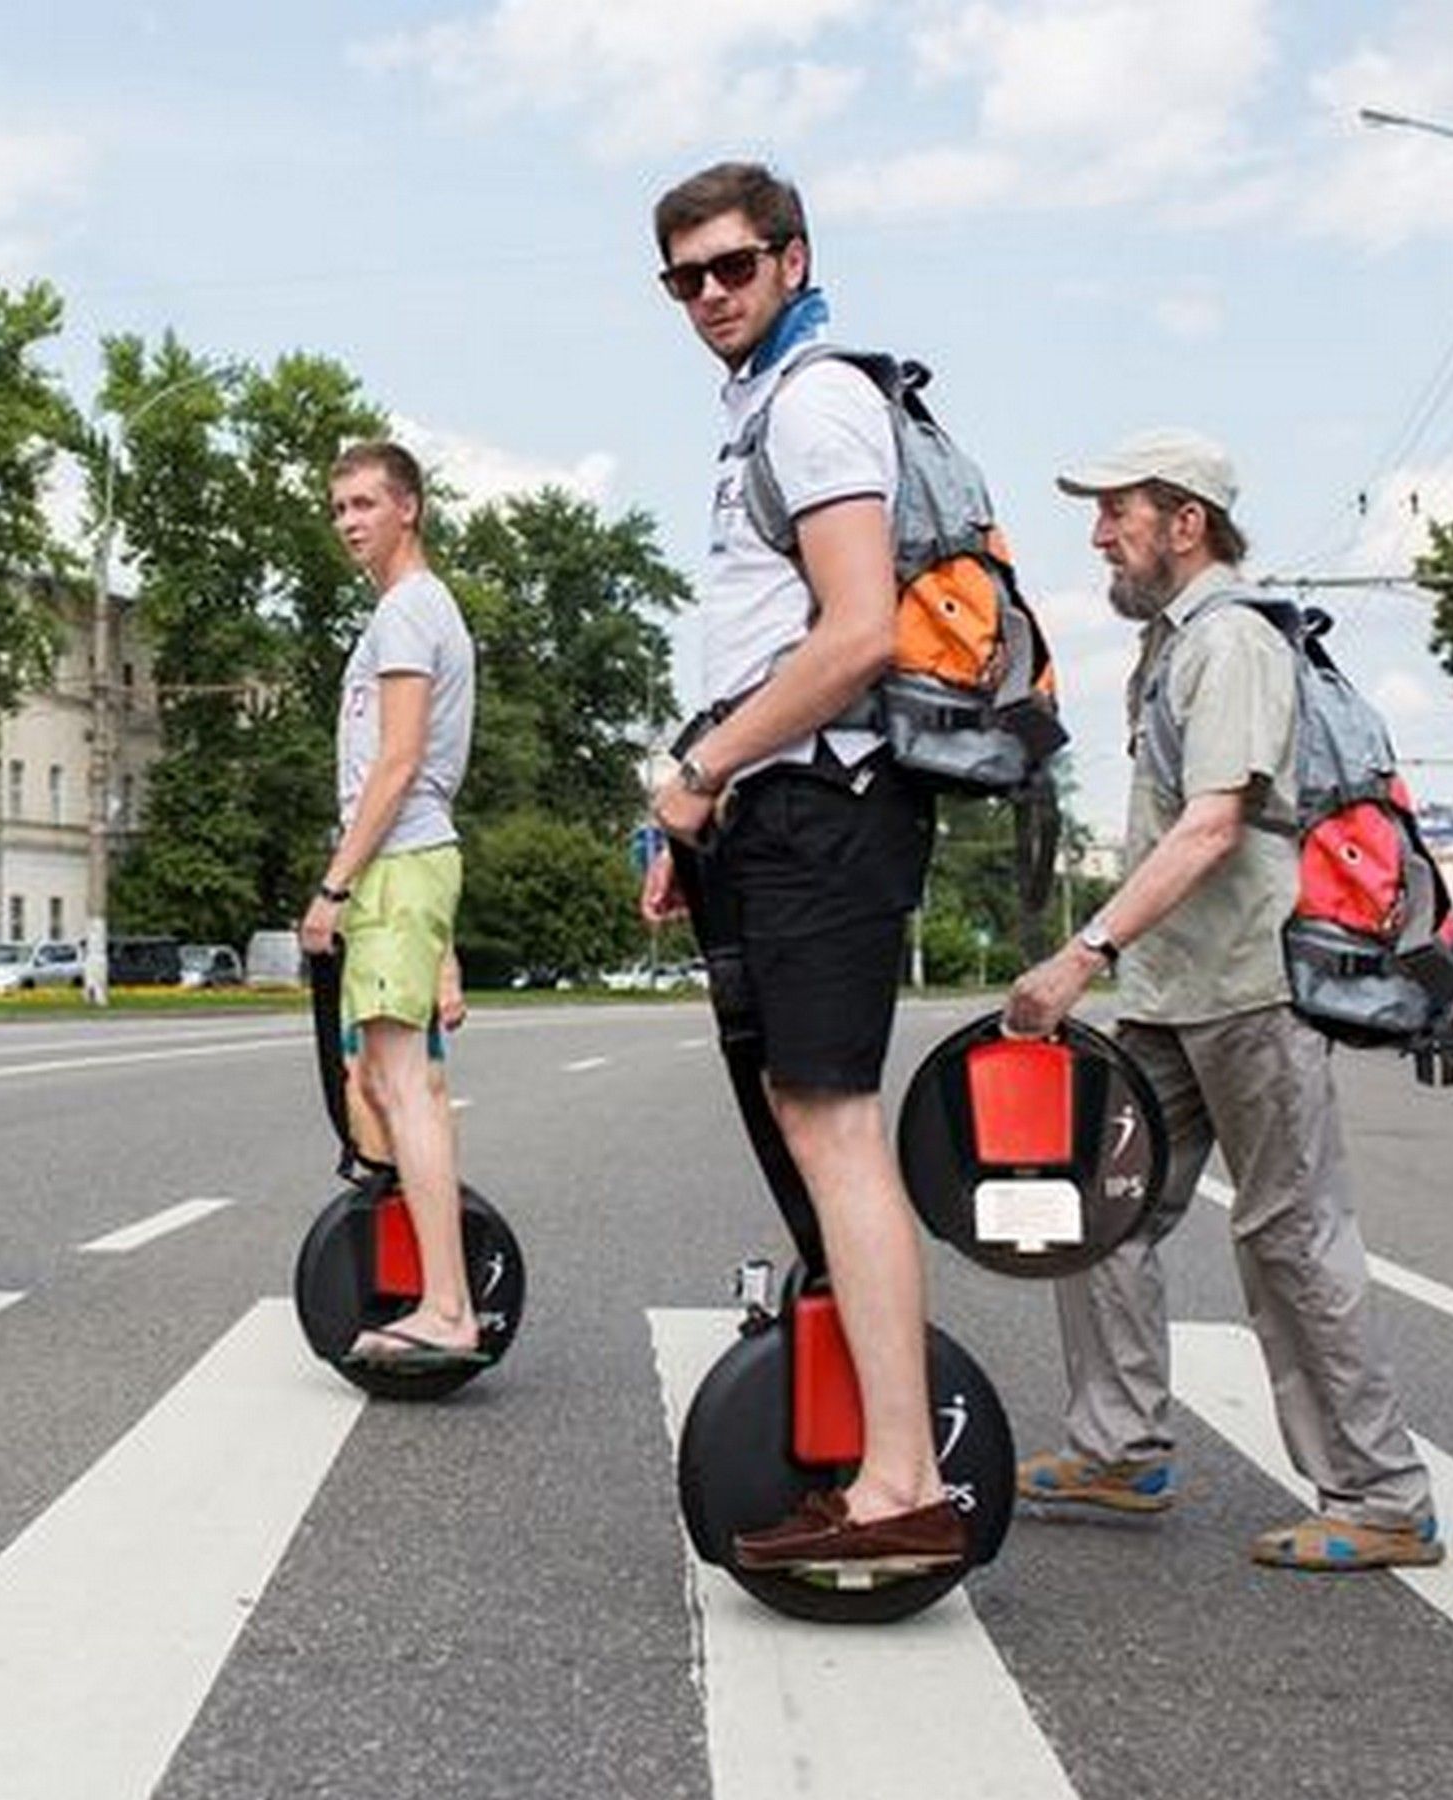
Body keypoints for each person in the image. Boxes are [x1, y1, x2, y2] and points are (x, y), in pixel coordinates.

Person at [1000, 430, 1442, 1571]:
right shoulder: (1171, 647)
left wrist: (1078, 954)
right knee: (1094, 1206)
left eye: (1116, 512)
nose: (1098, 534)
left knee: (1287, 1232)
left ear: (1182, 522)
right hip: (1169, 993)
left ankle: (1379, 1493)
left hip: (1250, 987)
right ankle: (1118, 1445)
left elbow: (1212, 825)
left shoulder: (1232, 641)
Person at [640, 160, 962, 1575]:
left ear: (790, 259)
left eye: (732, 267)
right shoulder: (753, 411)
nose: (710, 294)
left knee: (834, 1126)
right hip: (773, 810)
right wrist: (692, 807)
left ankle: (900, 1483)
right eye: (684, 278)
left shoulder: (819, 397)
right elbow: (772, 649)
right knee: (804, 1118)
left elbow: (855, 637)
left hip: (831, 806)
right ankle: (872, 1441)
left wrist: (704, 772)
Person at [300, 440, 482, 1368]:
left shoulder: (410, 612)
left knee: (404, 1087)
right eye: (339, 508)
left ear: (407, 507)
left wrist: (335, 882)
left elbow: (400, 761)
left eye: (366, 503)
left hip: (395, 860)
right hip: (405, 862)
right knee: (382, 1080)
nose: (349, 522)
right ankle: (438, 1291)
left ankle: (447, 1306)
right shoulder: (405, 612)